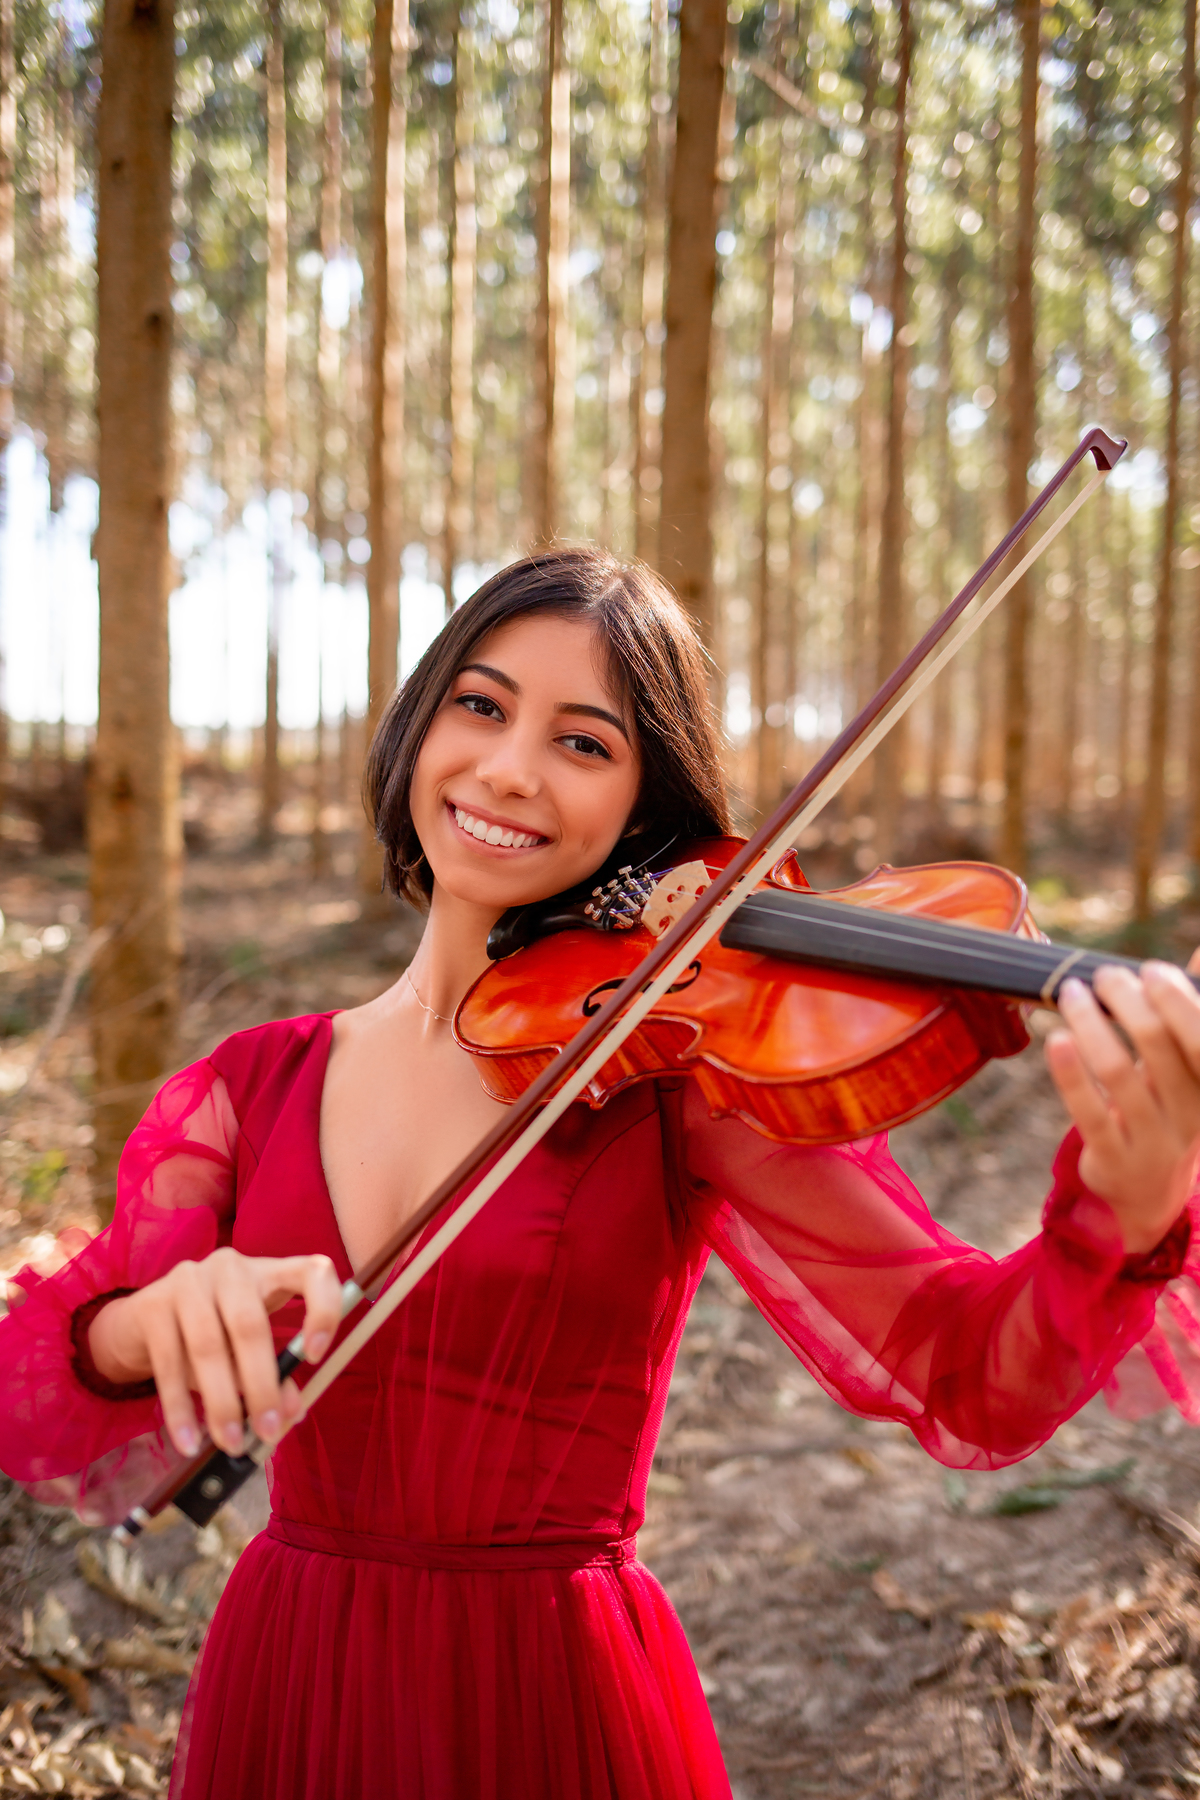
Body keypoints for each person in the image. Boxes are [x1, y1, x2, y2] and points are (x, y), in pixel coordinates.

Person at [2, 549, 1200, 1800]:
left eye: (584, 743)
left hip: (554, 1691)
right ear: (419, 724)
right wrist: (149, 1324)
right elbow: (46, 1369)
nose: (511, 768)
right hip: (295, 1666)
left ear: (645, 808)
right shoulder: (251, 1085)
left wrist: (1132, 1199)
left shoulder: (667, 1080)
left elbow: (968, 1373)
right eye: (481, 704)